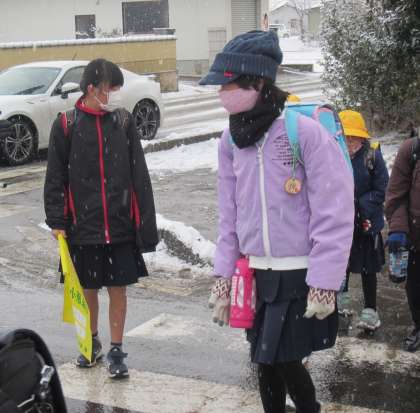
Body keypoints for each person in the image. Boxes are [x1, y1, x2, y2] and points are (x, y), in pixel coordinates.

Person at [202, 31, 354, 413]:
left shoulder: (303, 133)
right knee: (264, 359)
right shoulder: (230, 140)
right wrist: (223, 276)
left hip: (298, 272)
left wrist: (325, 281)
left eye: (228, 84)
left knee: (283, 357)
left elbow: (334, 210)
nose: (222, 93)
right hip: (256, 272)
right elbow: (229, 215)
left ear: (257, 82)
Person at [44, 58, 158, 378]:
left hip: (119, 223)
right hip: (82, 225)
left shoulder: (123, 121)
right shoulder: (66, 124)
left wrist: (145, 224)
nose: (116, 94)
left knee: (118, 288)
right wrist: (57, 221)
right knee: (88, 288)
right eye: (111, 88)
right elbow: (55, 178)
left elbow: (139, 174)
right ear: (92, 89)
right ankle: (91, 342)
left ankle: (117, 349)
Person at [337, 110, 389, 331]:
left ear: (362, 137)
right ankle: (341, 303)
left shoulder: (372, 156)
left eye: (353, 137)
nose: (349, 142)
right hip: (341, 221)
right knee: (342, 265)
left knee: (369, 267)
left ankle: (370, 311)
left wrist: (360, 206)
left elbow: (382, 188)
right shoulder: (334, 155)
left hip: (366, 222)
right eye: (345, 137)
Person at [385, 124, 420, 351]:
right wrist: (398, 229)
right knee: (416, 288)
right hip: (417, 238)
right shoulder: (411, 149)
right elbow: (396, 195)